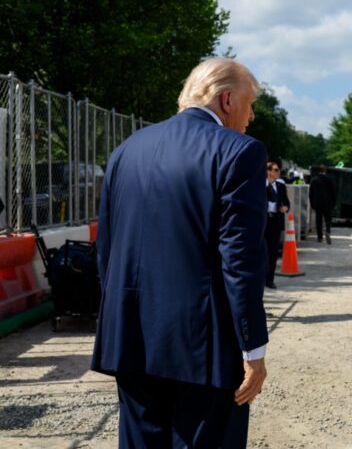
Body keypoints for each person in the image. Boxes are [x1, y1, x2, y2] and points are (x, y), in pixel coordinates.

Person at [91, 58, 269, 448]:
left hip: (131, 336)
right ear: (226, 100)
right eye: (249, 103)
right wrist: (253, 347)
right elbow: (239, 262)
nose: (251, 115)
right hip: (203, 345)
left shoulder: (127, 150)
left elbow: (107, 248)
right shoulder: (240, 152)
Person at [265, 161, 289, 289]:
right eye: (274, 169)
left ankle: (270, 279)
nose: (276, 172)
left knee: (273, 253)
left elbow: (286, 202)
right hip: (263, 222)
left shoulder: (280, 186)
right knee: (262, 251)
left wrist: (285, 207)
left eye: (277, 170)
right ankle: (260, 278)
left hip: (275, 221)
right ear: (268, 171)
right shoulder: (260, 186)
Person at [308, 165, 337, 244]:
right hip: (328, 203)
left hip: (317, 204)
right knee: (328, 219)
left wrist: (312, 203)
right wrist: (334, 203)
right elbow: (333, 192)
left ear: (318, 171)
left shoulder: (314, 180)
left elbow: (311, 193)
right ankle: (327, 231)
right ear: (325, 171)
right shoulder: (330, 180)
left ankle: (319, 237)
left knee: (319, 220)